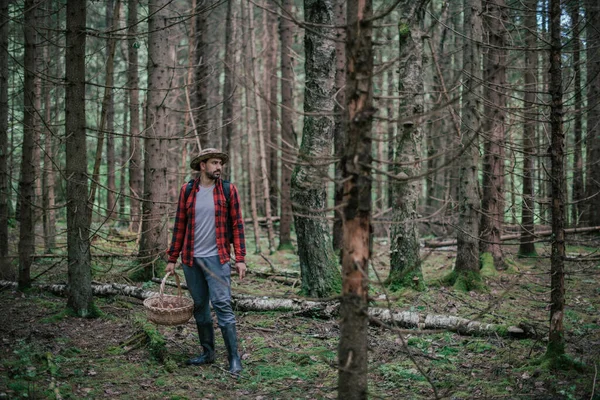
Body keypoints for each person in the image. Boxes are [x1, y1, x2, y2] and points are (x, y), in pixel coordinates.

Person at [165, 148, 247, 375]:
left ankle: (234, 358)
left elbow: (237, 226)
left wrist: (240, 258)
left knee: (222, 304)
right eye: (214, 163)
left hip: (218, 258)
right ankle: (207, 353)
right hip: (191, 259)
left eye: (220, 163)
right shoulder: (188, 191)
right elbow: (179, 225)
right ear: (202, 166)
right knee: (200, 306)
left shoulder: (228, 190)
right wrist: (172, 258)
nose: (218, 167)